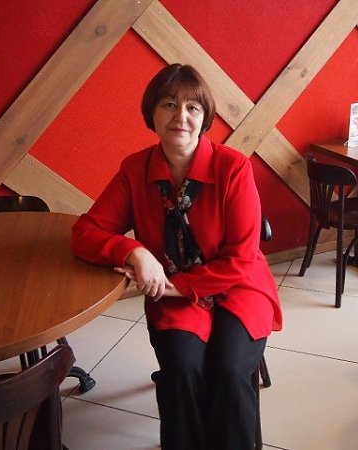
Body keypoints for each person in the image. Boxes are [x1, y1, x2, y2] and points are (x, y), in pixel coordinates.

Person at [71, 63, 282, 450]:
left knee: (229, 369)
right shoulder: (135, 169)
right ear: (152, 113)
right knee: (182, 370)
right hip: (172, 290)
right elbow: (85, 233)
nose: (180, 117)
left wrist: (179, 286)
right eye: (169, 104)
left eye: (192, 108)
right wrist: (134, 250)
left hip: (238, 286)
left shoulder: (233, 167)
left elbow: (241, 259)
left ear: (205, 117)